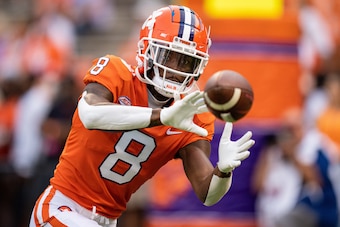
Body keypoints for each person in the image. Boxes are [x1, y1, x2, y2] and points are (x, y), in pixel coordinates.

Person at [29, 5, 255, 227]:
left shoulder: (193, 117)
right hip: (61, 207)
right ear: (147, 49)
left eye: (187, 61)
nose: (176, 69)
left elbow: (207, 194)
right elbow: (90, 114)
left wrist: (223, 171)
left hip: (107, 220)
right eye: (169, 55)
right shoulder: (116, 72)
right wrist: (163, 116)